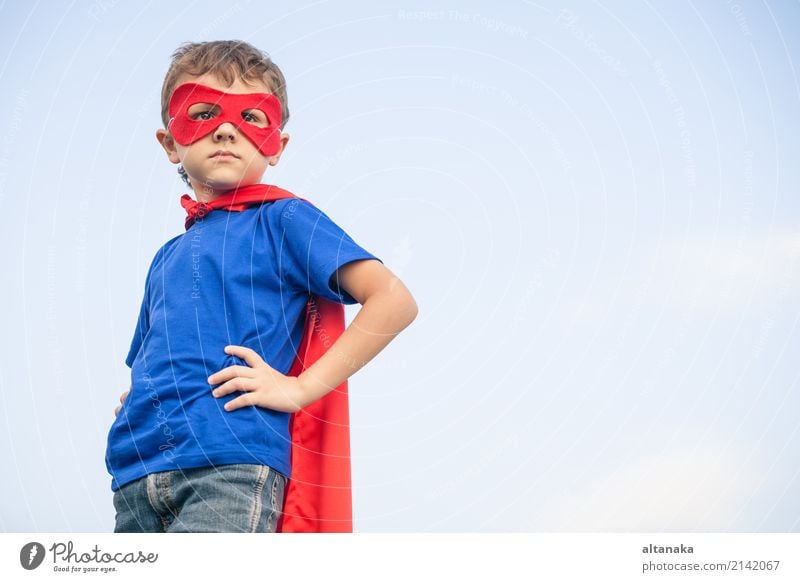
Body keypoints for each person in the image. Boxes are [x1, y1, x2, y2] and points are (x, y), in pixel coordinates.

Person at [105, 40, 417, 533]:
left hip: (229, 466)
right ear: (169, 143)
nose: (227, 128)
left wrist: (299, 389)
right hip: (135, 473)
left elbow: (393, 300)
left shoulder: (284, 219)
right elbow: (153, 353)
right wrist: (135, 397)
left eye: (252, 117)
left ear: (276, 145)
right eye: (204, 112)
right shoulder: (165, 256)